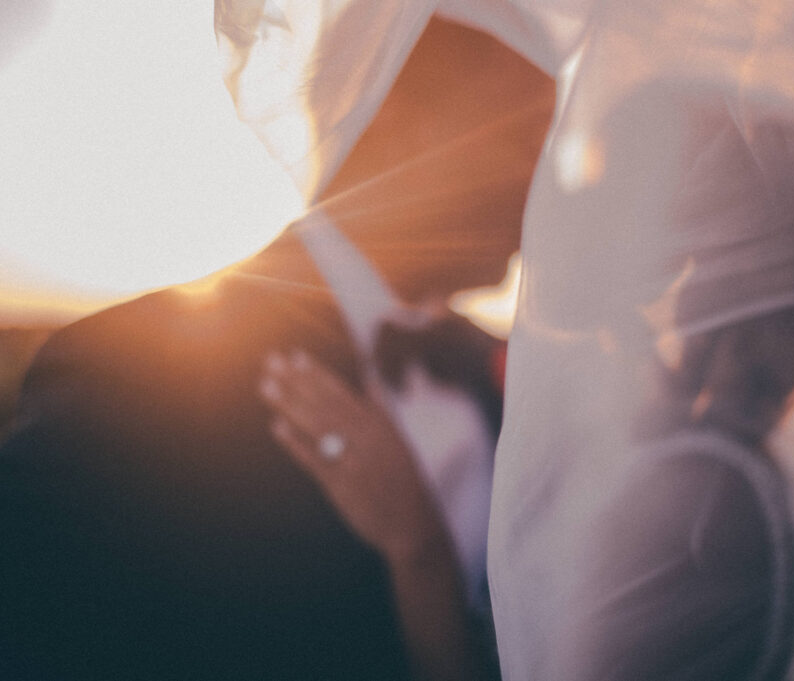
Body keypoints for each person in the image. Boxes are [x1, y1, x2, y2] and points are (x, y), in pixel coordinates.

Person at [214, 3, 794, 679]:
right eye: (526, 141)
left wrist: (418, 550)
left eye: (556, 152)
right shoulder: (198, 359)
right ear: (408, 124)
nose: (547, 189)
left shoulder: (697, 493)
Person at [0, 17, 552, 680]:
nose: (543, 179)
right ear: (394, 118)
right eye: (524, 135)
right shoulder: (134, 370)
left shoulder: (519, 378)